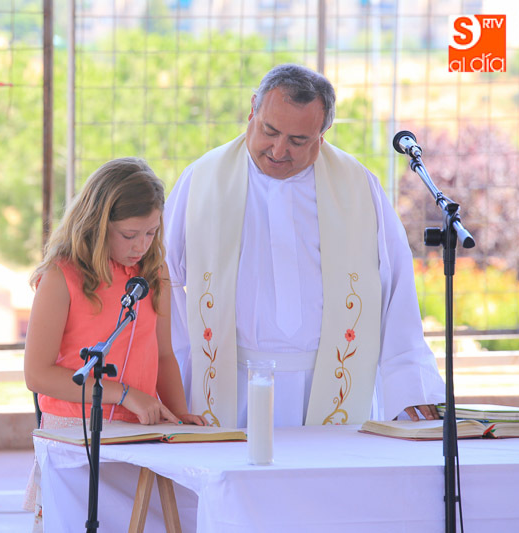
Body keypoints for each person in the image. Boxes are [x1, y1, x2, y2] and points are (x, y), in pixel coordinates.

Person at [164, 63, 445, 429]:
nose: (279, 149)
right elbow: (162, 277)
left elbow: (395, 288)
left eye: (298, 141)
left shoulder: (357, 187)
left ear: (322, 135)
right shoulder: (203, 180)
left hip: (331, 383)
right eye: (270, 130)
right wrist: (175, 368)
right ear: (252, 111)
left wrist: (409, 383)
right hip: (229, 385)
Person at [23, 157, 205, 528]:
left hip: (139, 433)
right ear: (97, 222)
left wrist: (177, 413)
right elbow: (38, 375)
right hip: (74, 436)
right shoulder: (60, 277)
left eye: (151, 233)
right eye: (129, 234)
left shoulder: (154, 272)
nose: (142, 245)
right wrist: (123, 394)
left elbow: (164, 355)